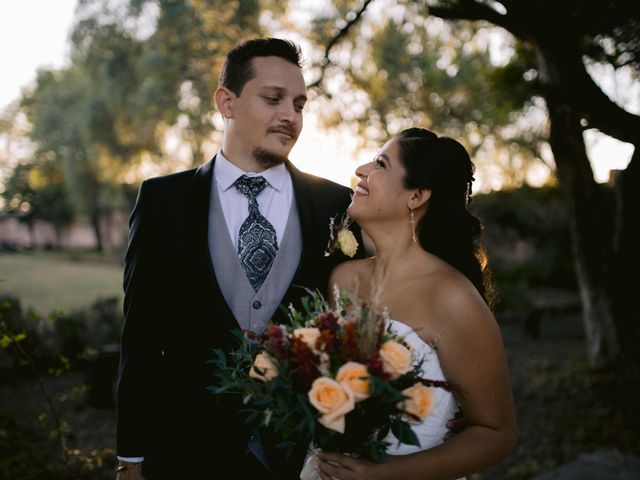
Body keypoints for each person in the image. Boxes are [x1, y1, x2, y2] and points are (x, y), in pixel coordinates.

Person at [115, 38, 362, 480]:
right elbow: (142, 333)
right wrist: (131, 456)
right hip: (187, 450)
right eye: (273, 98)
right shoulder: (162, 201)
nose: (291, 115)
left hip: (300, 453)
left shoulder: (335, 204)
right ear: (226, 103)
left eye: (300, 104)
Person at [316, 128, 517, 480]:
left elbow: (496, 433)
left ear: (417, 195)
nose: (361, 169)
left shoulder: (452, 297)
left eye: (380, 163)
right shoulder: (341, 279)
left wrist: (383, 474)